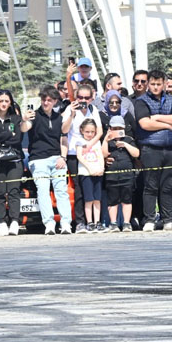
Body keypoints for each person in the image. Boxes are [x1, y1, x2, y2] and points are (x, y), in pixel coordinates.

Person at [134, 69, 172, 231]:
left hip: (169, 149)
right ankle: (149, 219)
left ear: (164, 84)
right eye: (152, 84)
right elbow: (145, 124)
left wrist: (157, 118)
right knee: (151, 186)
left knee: (168, 186)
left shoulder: (171, 100)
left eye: (158, 84)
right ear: (148, 84)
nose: (155, 87)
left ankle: (167, 219)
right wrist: (168, 125)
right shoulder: (141, 101)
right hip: (150, 149)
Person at [23, 87, 73, 235]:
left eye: (49, 100)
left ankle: (66, 224)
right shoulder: (35, 115)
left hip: (57, 157)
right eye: (44, 99)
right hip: (38, 159)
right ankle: (49, 224)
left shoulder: (59, 118)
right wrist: (24, 119)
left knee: (61, 191)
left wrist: (63, 157)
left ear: (55, 101)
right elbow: (25, 128)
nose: (46, 102)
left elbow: (64, 137)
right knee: (43, 191)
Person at [61, 84, 104, 233]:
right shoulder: (70, 109)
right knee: (79, 188)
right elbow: (64, 130)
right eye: (80, 97)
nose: (83, 100)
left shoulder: (93, 110)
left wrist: (89, 145)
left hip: (91, 152)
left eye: (86, 98)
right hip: (74, 153)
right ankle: (80, 222)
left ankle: (95, 221)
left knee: (95, 187)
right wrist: (72, 114)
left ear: (92, 98)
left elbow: (99, 131)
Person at [0, 90, 23, 235]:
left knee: (14, 190)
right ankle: (1, 221)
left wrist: (1, 137)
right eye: (1, 101)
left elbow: (17, 139)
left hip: (14, 158)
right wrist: (8, 134)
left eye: (6, 101)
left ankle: (15, 220)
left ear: (10, 103)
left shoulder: (15, 118)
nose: (3, 104)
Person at [103, 115, 139, 232]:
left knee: (126, 200)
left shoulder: (128, 139)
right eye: (114, 128)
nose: (117, 131)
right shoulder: (107, 141)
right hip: (112, 176)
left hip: (127, 175)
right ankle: (113, 223)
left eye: (120, 128)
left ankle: (126, 222)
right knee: (112, 200)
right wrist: (106, 139)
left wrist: (125, 145)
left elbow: (136, 154)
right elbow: (103, 154)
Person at [73, 119, 105, 231]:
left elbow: (100, 155)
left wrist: (102, 168)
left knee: (97, 199)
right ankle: (89, 222)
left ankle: (97, 221)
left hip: (98, 173)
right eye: (87, 132)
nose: (90, 134)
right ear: (82, 130)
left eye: (92, 132)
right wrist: (90, 168)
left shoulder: (97, 142)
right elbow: (80, 156)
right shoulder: (79, 141)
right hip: (86, 173)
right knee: (89, 199)